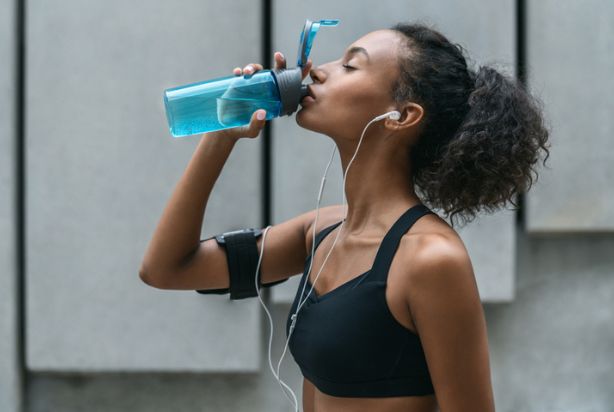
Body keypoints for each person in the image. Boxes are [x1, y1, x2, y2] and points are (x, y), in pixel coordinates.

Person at [139, 21, 550, 412]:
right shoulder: (321, 231)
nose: (317, 72)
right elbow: (168, 269)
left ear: (402, 116)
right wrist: (221, 134)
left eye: (350, 65)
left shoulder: (430, 260)